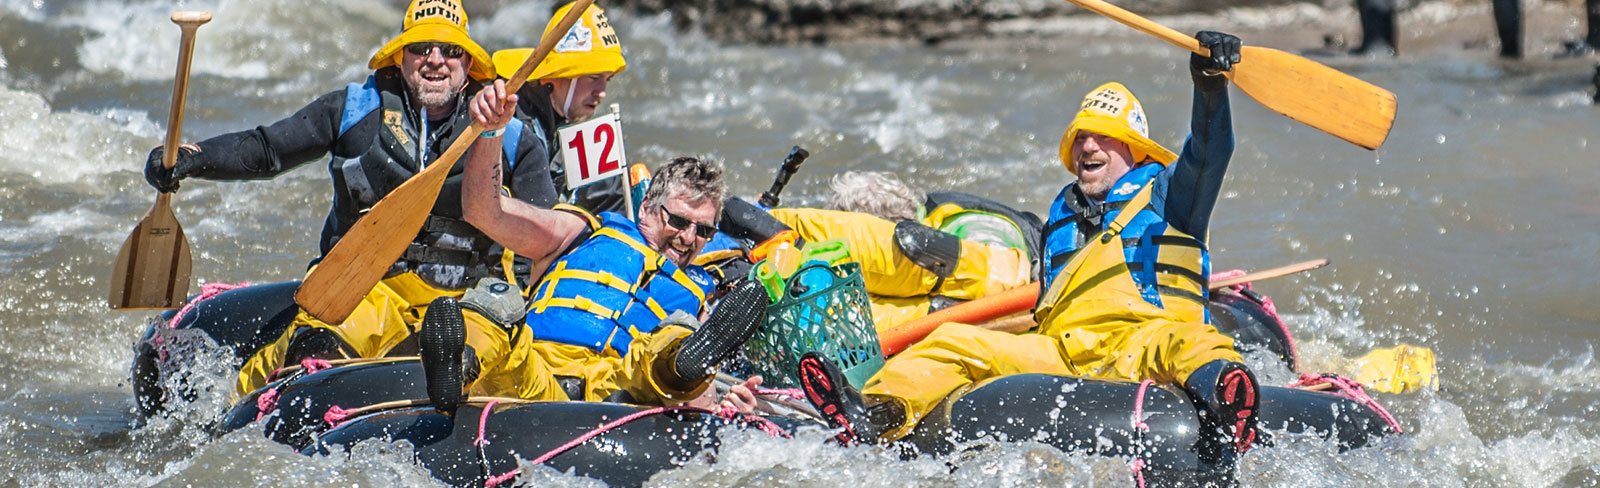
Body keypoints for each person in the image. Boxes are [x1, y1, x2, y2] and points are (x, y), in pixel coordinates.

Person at [795, 31, 1262, 465]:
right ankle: (877, 412)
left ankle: (1227, 400)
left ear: (1134, 150)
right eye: (1080, 136)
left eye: (1102, 135)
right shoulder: (1061, 217)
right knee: (953, 341)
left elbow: (1210, 151)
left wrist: (1209, 87)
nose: (1087, 145)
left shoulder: (1171, 196)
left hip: (1143, 341)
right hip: (1063, 353)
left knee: (1189, 343)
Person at [142, 0, 560, 398]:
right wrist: (191, 158)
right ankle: (305, 384)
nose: (436, 59)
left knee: (490, 323)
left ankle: (451, 370)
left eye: (451, 50)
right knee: (317, 344)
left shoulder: (512, 135)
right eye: (420, 48)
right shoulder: (354, 110)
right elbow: (267, 150)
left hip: (466, 304)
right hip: (365, 291)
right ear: (400, 57)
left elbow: (547, 241)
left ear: (468, 64)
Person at [408, 79, 769, 413]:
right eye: (676, 221)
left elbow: (701, 404)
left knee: (676, 334)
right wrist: (490, 131)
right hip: (534, 371)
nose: (689, 238)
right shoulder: (581, 231)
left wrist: (724, 407)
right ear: (646, 207)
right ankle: (457, 370)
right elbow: (485, 211)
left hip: (617, 392)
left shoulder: (700, 297)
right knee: (495, 303)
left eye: (703, 230)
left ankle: (680, 366)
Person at [491, 2, 629, 214]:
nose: (601, 92)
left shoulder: (576, 128)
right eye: (593, 78)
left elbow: (608, 204)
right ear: (555, 77)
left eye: (607, 80)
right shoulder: (512, 125)